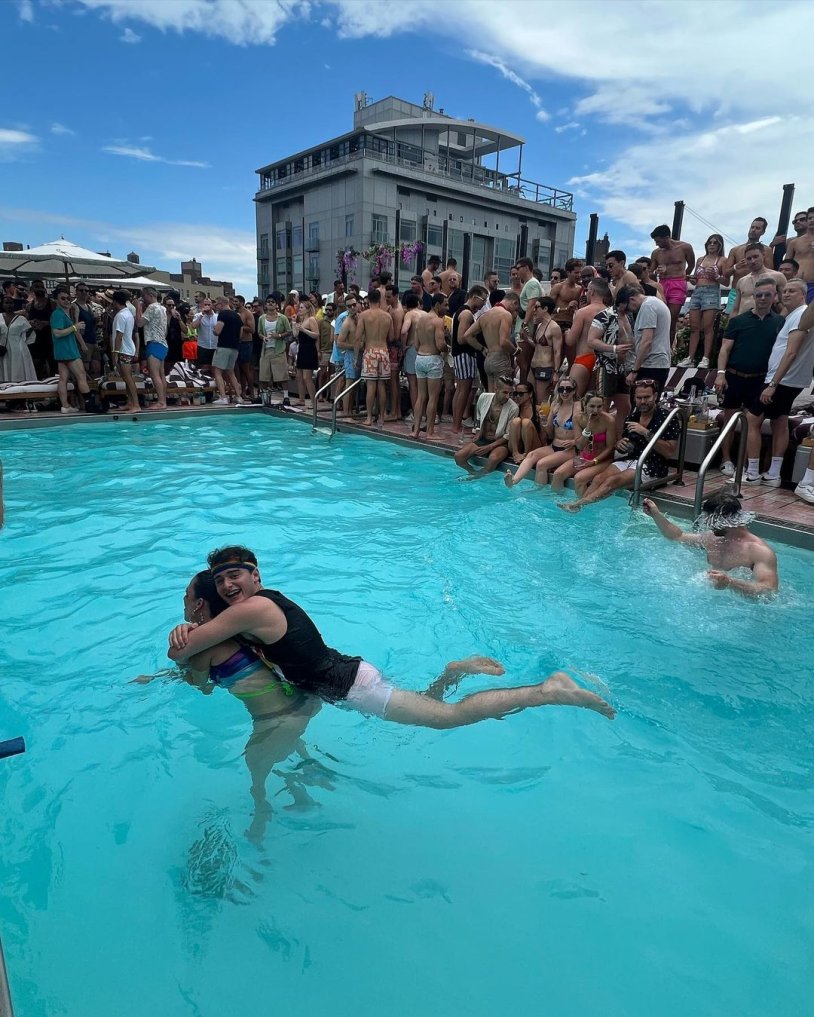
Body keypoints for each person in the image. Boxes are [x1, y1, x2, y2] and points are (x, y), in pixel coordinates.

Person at [167, 547, 615, 727]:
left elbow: (186, 652)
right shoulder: (254, 610)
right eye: (221, 580)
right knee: (431, 704)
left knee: (450, 719)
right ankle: (453, 670)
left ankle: (546, 691)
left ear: (255, 576)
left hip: (347, 684)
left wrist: (187, 630)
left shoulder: (254, 607)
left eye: (235, 576)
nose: (227, 585)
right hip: (346, 675)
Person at [557, 379, 680, 512]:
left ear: (655, 396)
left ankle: (577, 506)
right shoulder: (633, 416)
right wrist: (621, 444)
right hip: (629, 459)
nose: (643, 401)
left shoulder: (667, 418)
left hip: (651, 464)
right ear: (634, 398)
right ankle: (582, 510)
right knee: (598, 479)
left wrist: (645, 432)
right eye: (639, 398)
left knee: (612, 482)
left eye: (647, 397)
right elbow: (623, 443)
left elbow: (669, 452)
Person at [743, 279, 814, 486]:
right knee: (780, 421)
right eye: (784, 291)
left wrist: (772, 384)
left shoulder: (801, 315)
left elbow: (791, 352)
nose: (787, 294)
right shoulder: (793, 315)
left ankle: (753, 472)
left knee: (751, 420)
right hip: (789, 380)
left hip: (782, 380)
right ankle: (773, 474)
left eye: (792, 291)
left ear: (803, 295)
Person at [642, 492, 778, 598]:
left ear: (726, 520)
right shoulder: (712, 538)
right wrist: (656, 514)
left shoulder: (758, 551)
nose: (709, 526)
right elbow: (677, 536)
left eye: (712, 522)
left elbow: (769, 591)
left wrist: (731, 583)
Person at [715, 277, 785, 478]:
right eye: (759, 295)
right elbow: (724, 349)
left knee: (751, 423)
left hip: (760, 380)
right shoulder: (738, 321)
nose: (762, 299)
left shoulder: (780, 323)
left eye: (767, 295)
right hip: (735, 377)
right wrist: (720, 374)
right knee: (729, 421)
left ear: (774, 297)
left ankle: (746, 464)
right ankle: (726, 459)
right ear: (753, 296)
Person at [504, 377, 579, 488]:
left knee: (541, 464)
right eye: (561, 389)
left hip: (569, 449)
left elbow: (588, 431)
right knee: (531, 455)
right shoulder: (555, 405)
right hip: (554, 446)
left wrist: (573, 442)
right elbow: (549, 433)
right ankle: (513, 481)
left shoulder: (578, 407)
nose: (564, 392)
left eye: (568, 389)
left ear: (574, 390)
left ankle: (540, 494)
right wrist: (544, 422)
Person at [550, 391, 616, 495]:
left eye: (599, 406)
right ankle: (555, 506)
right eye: (592, 406)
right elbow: (580, 445)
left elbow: (610, 447)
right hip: (584, 457)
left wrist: (594, 461)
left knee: (579, 478)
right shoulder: (578, 418)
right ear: (585, 406)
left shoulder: (609, 420)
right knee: (558, 474)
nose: (596, 410)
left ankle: (580, 507)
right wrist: (587, 429)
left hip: (602, 460)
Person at [679, 234, 729, 369]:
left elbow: (726, 281)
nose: (712, 245)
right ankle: (690, 357)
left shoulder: (723, 260)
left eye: (715, 243)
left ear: (720, 246)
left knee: (708, 327)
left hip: (712, 291)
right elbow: (696, 278)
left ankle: (705, 358)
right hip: (697, 291)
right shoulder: (700, 259)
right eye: (710, 242)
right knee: (694, 327)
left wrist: (717, 276)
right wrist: (691, 279)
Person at [455, 377, 519, 478]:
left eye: (510, 393)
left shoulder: (513, 408)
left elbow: (508, 435)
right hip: (483, 439)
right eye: (505, 392)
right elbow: (479, 415)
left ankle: (478, 477)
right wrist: (478, 431)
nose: (508, 396)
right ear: (496, 389)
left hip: (501, 443)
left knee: (493, 459)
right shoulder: (484, 397)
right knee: (459, 456)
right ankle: (473, 473)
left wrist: (489, 447)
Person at [588, 289, 635, 421]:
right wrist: (613, 348)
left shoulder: (629, 316)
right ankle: (598, 439)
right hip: (605, 366)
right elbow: (591, 341)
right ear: (625, 302)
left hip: (623, 367)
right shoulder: (604, 315)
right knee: (602, 406)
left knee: (625, 407)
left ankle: (617, 438)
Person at [616, 284, 672, 394]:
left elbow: (646, 341)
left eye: (628, 308)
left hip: (651, 364)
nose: (630, 312)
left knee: (643, 404)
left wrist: (634, 370)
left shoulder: (648, 306)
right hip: (658, 363)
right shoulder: (655, 302)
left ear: (632, 299)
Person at [462, 291, 519, 391]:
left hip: (488, 359)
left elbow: (467, 335)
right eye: (516, 309)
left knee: (490, 395)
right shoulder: (505, 315)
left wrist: (482, 348)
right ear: (514, 303)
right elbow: (503, 341)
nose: (515, 312)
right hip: (500, 358)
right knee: (502, 394)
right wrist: (515, 351)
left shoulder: (485, 315)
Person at [649, 225, 695, 346]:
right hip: (662, 283)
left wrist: (684, 275)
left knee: (672, 318)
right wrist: (656, 272)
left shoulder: (685, 247)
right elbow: (649, 273)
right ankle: (657, 346)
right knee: (660, 317)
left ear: (666, 237)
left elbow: (691, 265)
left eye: (658, 241)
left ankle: (668, 349)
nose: (657, 244)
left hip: (678, 283)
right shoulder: (656, 253)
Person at [451, 285, 488, 434]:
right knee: (463, 390)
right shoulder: (466, 314)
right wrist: (480, 347)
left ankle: (456, 423)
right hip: (464, 354)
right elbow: (461, 338)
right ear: (474, 297)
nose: (484, 304)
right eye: (483, 301)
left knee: (460, 390)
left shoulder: (460, 312)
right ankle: (456, 425)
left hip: (459, 355)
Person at [411, 292, 447, 440]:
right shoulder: (438, 321)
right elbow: (440, 344)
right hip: (432, 359)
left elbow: (416, 344)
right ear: (437, 305)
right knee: (433, 398)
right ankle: (430, 432)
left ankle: (416, 431)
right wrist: (447, 347)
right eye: (445, 304)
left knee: (421, 396)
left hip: (420, 358)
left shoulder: (420, 320)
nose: (447, 307)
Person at [355, 287, 393, 426]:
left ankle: (369, 418)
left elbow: (357, 338)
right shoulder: (387, 316)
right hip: (383, 351)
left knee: (371, 386)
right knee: (382, 386)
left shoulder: (364, 316)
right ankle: (382, 417)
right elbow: (392, 336)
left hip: (370, 352)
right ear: (380, 299)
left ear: (368, 300)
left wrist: (355, 358)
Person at [50, 288, 92, 414]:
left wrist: (80, 340)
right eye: (63, 298)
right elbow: (57, 333)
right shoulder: (58, 314)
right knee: (81, 376)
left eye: (68, 298)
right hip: (68, 350)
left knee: (63, 378)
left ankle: (65, 406)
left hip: (63, 350)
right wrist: (75, 327)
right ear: (56, 300)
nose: (66, 301)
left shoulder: (63, 313)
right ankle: (90, 403)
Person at [568, 279, 610, 396]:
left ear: (592, 292)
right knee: (595, 402)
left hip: (584, 357)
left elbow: (570, 341)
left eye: (587, 290)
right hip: (602, 361)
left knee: (572, 399)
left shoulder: (582, 312)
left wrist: (567, 333)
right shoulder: (610, 312)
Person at [136, 287, 168, 410]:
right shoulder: (162, 308)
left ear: (149, 295)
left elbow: (139, 323)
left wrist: (138, 307)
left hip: (154, 343)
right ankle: (163, 400)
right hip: (163, 343)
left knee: (154, 375)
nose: (143, 299)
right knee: (161, 374)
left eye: (143, 296)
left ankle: (161, 402)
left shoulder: (152, 308)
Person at [526, 296, 562, 405]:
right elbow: (537, 346)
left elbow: (557, 352)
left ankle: (544, 422)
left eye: (537, 307)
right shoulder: (540, 325)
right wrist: (526, 337)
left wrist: (556, 372)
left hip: (545, 367)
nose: (534, 310)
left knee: (542, 402)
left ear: (545, 309)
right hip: (534, 366)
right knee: (529, 399)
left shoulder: (554, 327)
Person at [732, 244, 786, 316]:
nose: (753, 261)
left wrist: (779, 322)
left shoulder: (777, 276)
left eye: (755, 257)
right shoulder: (741, 281)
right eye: (749, 258)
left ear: (763, 255)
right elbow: (735, 309)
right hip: (743, 321)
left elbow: (787, 305)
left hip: (767, 321)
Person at [258, 296, 292, 406]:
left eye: (273, 302)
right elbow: (259, 332)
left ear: (276, 305)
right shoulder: (262, 318)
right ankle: (264, 396)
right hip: (266, 349)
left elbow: (289, 331)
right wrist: (263, 337)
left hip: (278, 349)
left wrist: (279, 335)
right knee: (264, 375)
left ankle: (286, 397)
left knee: (282, 375)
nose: (271, 304)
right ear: (266, 305)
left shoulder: (282, 318)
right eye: (268, 302)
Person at [110, 290, 140, 413]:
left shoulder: (121, 316)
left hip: (124, 349)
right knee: (126, 377)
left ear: (115, 302)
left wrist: (115, 353)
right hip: (128, 348)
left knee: (128, 378)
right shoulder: (128, 313)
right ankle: (130, 402)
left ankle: (136, 404)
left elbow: (119, 336)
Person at [212, 295, 245, 405]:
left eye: (216, 304)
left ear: (221, 303)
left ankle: (223, 397)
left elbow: (217, 331)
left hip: (223, 346)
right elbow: (240, 335)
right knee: (231, 372)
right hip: (235, 348)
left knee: (217, 371)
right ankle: (239, 396)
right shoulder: (237, 316)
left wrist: (214, 329)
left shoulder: (223, 314)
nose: (215, 306)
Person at [0, 294, 37, 385]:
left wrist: (32, 328)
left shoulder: (21, 319)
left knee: (19, 370)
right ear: (2, 304)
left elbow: (29, 336)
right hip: (2, 349)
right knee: (4, 368)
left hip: (19, 348)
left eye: (11, 303)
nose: (9, 305)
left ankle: (20, 393)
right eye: (6, 303)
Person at [400, 291, 424, 419]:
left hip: (412, 349)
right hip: (426, 350)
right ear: (418, 304)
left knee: (413, 383)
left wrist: (403, 347)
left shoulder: (410, 314)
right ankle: (425, 413)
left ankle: (416, 413)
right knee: (424, 384)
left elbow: (404, 331)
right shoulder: (425, 314)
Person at [292, 299, 320, 410]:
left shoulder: (311, 320)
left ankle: (314, 402)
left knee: (307, 377)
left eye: (302, 308)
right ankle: (301, 399)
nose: (299, 310)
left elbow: (316, 335)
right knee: (299, 376)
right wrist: (294, 324)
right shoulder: (302, 321)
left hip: (309, 349)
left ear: (308, 309)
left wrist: (304, 330)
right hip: (302, 349)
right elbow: (295, 335)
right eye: (299, 308)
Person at [336, 294, 361, 418]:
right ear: (346, 308)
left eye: (354, 305)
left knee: (355, 386)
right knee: (349, 384)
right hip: (351, 356)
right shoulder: (347, 322)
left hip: (360, 355)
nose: (352, 308)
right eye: (349, 306)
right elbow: (339, 342)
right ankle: (346, 412)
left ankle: (351, 410)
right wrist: (354, 346)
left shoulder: (361, 318)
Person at [506, 381, 542, 463]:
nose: (518, 396)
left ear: (530, 394)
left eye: (521, 393)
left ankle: (527, 455)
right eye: (516, 393)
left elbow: (543, 436)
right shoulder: (514, 409)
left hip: (533, 445)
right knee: (516, 421)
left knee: (526, 422)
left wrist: (542, 421)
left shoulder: (538, 410)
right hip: (517, 445)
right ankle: (515, 454)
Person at [783, 206, 814, 303]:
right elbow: (786, 264)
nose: (812, 220)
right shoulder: (794, 242)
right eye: (809, 218)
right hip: (795, 284)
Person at [730, 217, 775, 281]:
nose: (753, 230)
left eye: (757, 228)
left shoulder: (767, 250)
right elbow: (726, 273)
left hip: (757, 288)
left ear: (763, 232)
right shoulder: (735, 250)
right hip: (736, 289)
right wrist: (736, 266)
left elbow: (770, 272)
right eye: (752, 227)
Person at [384, 284, 404, 420]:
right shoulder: (390, 307)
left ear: (396, 296)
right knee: (392, 382)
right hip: (392, 348)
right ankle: (396, 411)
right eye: (385, 296)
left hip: (394, 349)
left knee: (393, 382)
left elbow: (396, 336)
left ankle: (395, 412)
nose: (386, 299)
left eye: (389, 297)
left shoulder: (397, 311)